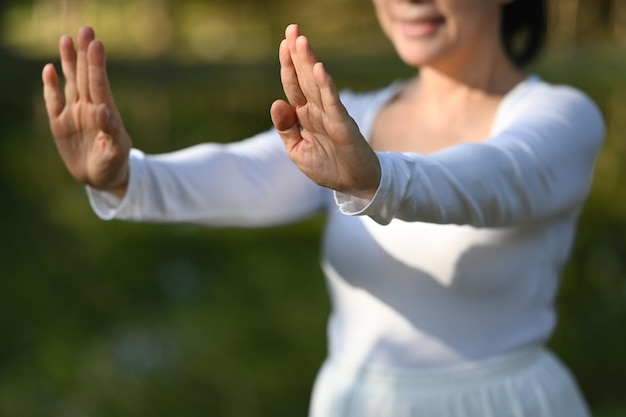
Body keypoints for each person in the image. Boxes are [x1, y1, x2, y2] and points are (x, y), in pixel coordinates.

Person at [42, 0, 605, 416]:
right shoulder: (352, 123)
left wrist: (380, 177)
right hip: (355, 401)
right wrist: (126, 176)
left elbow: (497, 178)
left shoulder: (561, 116)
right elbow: (241, 172)